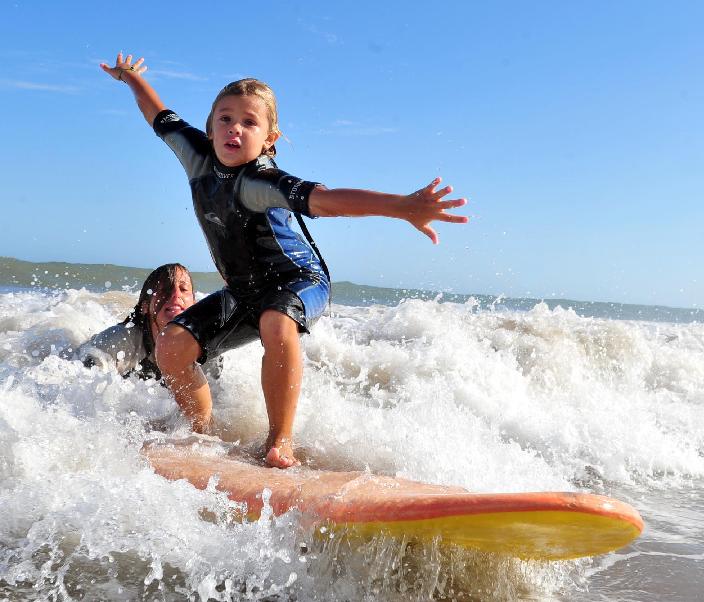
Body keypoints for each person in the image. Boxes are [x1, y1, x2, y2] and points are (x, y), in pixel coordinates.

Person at [101, 52, 468, 468]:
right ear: (209, 127)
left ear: (269, 139)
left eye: (249, 122)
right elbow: (158, 113)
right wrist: (129, 77)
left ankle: (280, 442)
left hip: (298, 281)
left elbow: (327, 202)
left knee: (276, 321)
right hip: (243, 292)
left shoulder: (262, 181)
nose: (234, 128)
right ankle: (201, 434)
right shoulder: (196, 156)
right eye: (224, 118)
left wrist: (402, 206)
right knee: (171, 345)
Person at [75, 263, 206, 379]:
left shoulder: (205, 347)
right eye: (165, 290)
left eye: (183, 289)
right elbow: (83, 386)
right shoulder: (118, 342)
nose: (176, 295)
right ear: (145, 306)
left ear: (194, 303)